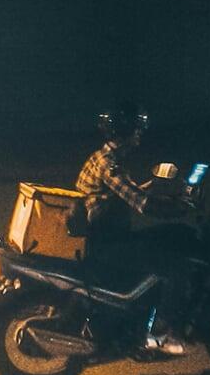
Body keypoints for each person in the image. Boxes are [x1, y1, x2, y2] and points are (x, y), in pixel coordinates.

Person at [75, 101, 192, 356]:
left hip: (106, 238)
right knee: (174, 265)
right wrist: (178, 208)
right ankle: (165, 333)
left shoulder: (102, 157)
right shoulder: (110, 164)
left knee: (163, 241)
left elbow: (125, 192)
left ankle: (145, 318)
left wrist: (156, 187)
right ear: (125, 131)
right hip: (109, 244)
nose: (140, 134)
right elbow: (142, 204)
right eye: (137, 129)